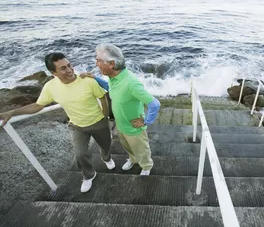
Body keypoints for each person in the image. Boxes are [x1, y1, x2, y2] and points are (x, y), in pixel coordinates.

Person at [0, 53, 115, 193]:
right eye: (63, 68)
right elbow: (37, 106)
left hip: (98, 122)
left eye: (69, 65)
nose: (69, 70)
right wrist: (12, 112)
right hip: (76, 126)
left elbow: (103, 97)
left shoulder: (88, 81)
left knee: (106, 145)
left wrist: (106, 116)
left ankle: (106, 158)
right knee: (80, 154)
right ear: (53, 73)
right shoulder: (50, 87)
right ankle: (88, 175)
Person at [93, 43, 160, 176]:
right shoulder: (114, 78)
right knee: (128, 147)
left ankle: (146, 166)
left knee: (141, 150)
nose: (96, 64)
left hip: (134, 128)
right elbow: (111, 88)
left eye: (98, 60)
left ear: (111, 63)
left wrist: (145, 121)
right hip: (121, 126)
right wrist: (95, 79)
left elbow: (154, 104)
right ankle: (133, 159)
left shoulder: (131, 83)